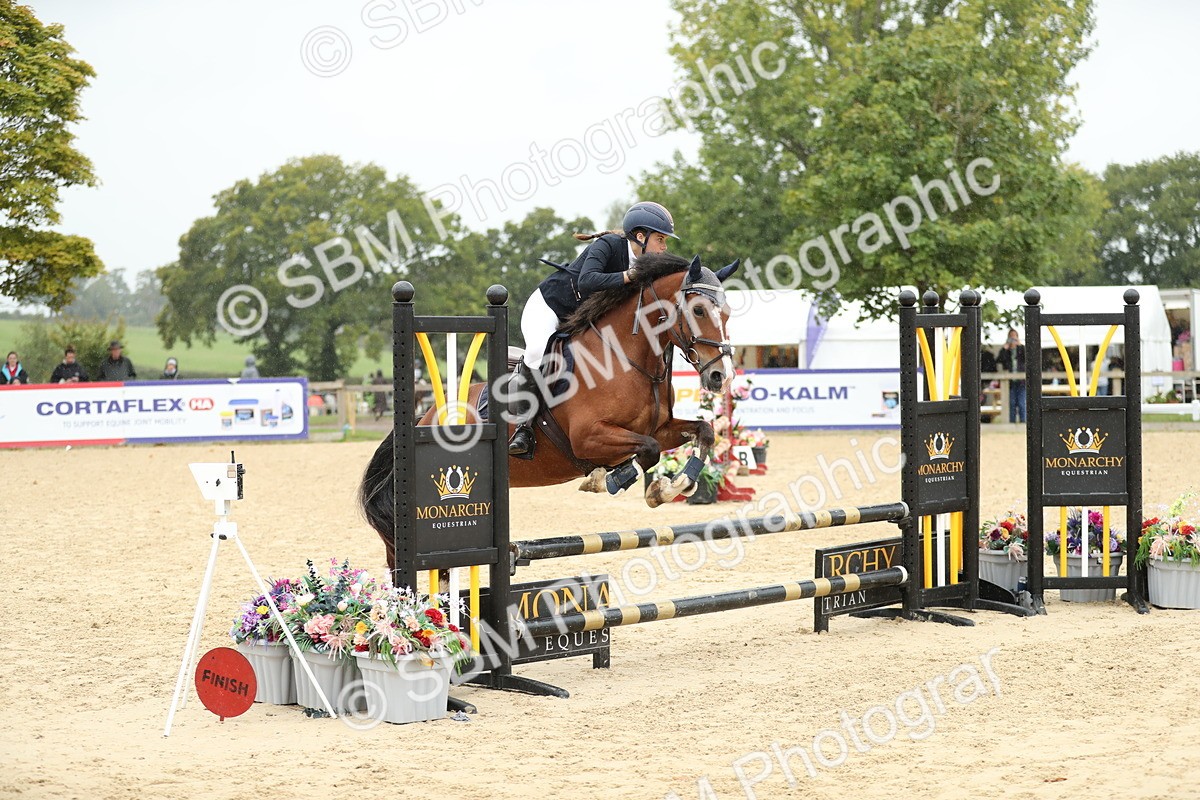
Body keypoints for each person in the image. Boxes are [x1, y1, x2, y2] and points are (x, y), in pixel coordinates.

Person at [507, 201, 678, 458]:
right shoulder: (608, 246)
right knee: (536, 352)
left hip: (582, 319)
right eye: (661, 240)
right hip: (550, 307)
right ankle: (523, 428)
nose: (664, 248)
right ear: (641, 237)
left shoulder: (647, 264)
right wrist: (630, 276)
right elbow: (587, 281)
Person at [995, 328, 1026, 423]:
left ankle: (1023, 422)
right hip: (1010, 382)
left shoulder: (1021, 349)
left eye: (1014, 337)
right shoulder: (1006, 351)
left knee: (1021, 403)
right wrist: (1005, 348)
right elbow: (999, 360)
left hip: (1021, 381)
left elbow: (1028, 358)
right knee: (1011, 403)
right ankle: (1011, 422)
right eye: (1011, 337)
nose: (1013, 339)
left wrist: (1019, 345)